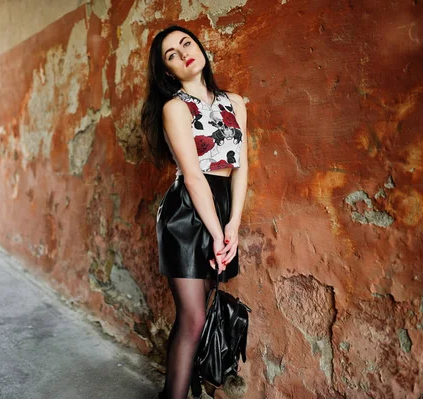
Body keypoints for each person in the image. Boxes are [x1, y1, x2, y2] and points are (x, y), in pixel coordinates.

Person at [140, 25, 249, 399]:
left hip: (220, 209)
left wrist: (233, 225)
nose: (183, 52)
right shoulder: (175, 107)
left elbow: (241, 167)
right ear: (169, 71)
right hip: (186, 215)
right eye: (171, 54)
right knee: (194, 316)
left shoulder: (235, 101)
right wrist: (218, 234)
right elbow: (192, 177)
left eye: (185, 43)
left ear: (199, 47)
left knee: (195, 318)